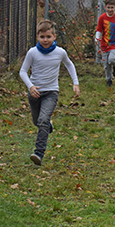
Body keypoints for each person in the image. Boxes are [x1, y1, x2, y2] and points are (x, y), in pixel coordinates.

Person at [19, 20, 79, 165]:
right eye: (42, 37)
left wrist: (75, 83)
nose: (45, 40)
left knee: (42, 120)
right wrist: (30, 86)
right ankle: (48, 126)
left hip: (51, 92)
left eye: (48, 37)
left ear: (54, 37)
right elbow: (22, 71)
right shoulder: (32, 52)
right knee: (37, 122)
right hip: (35, 93)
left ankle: (38, 153)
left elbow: (70, 65)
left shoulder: (60, 52)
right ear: (37, 37)